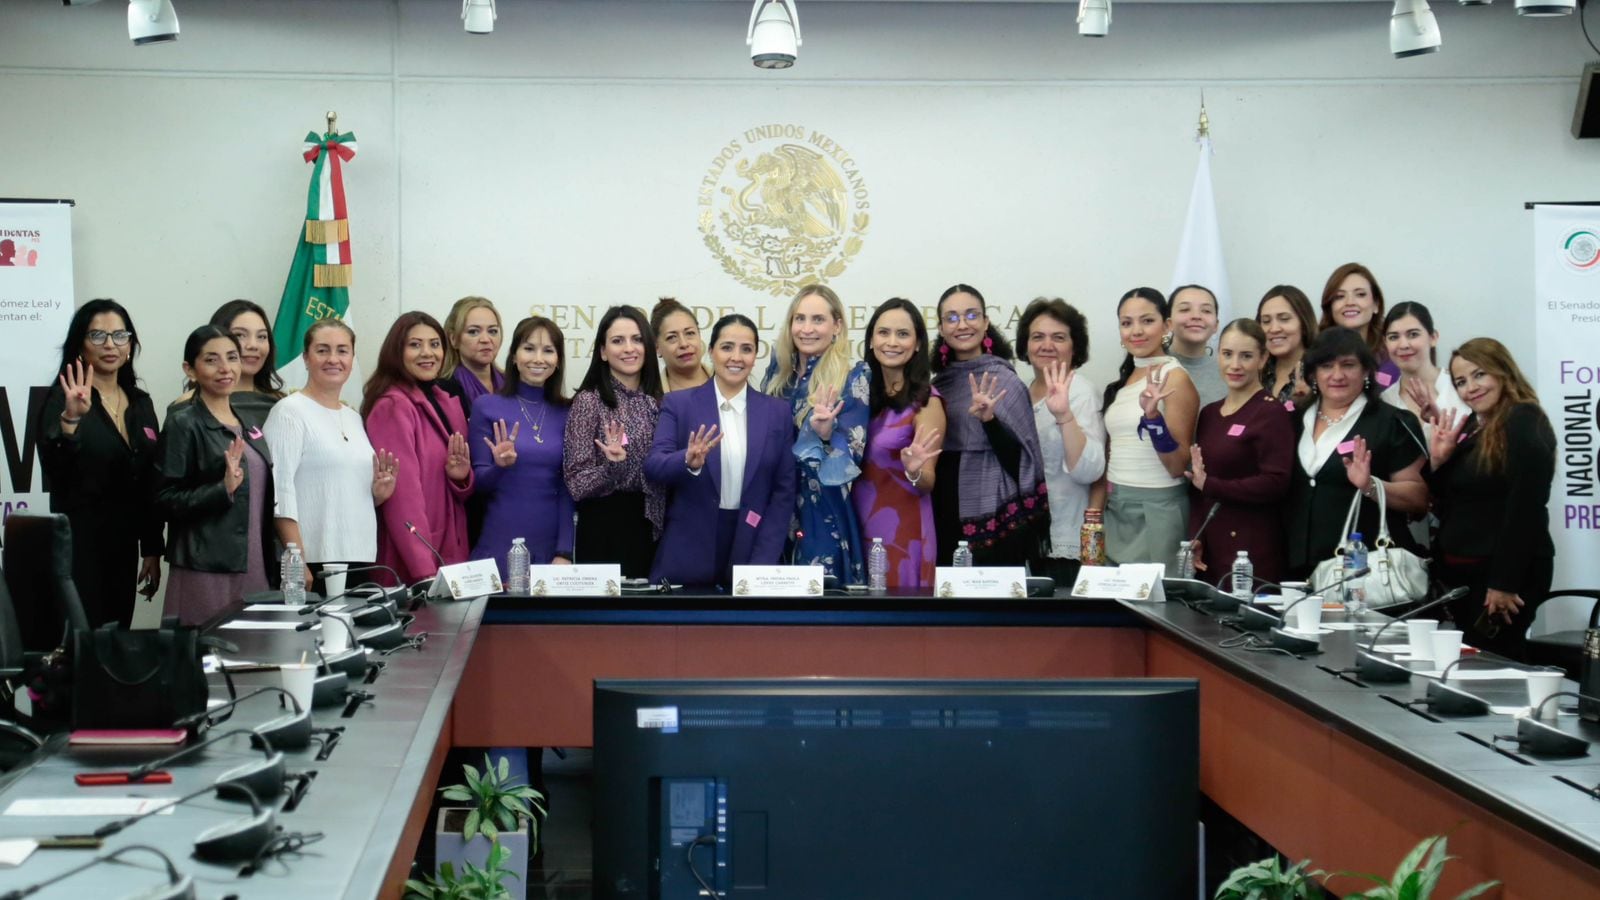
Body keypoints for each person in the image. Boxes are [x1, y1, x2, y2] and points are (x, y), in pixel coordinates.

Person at [1426, 339, 1555, 661]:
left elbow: (1526, 507)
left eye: (1479, 374)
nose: (1470, 388)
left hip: (1502, 577)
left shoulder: (1523, 418)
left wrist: (1504, 583)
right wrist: (1440, 460)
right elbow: (1453, 498)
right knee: (1472, 663)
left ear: (1503, 371)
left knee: (1492, 665)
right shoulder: (1477, 426)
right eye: (1461, 381)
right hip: (1468, 574)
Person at [38, 299, 164, 628]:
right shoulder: (62, 399)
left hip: (124, 547)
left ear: (130, 345)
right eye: (97, 335)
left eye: (119, 335)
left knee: (116, 639)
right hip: (79, 548)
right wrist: (71, 421)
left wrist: (152, 548)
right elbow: (56, 470)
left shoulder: (141, 403)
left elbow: (150, 481)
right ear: (80, 344)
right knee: (83, 642)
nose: (110, 344)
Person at [646, 315, 797, 589]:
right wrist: (687, 461)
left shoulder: (777, 412)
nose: (736, 357)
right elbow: (654, 465)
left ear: (755, 356)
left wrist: (763, 560)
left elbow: (783, 492)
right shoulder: (679, 404)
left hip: (752, 548)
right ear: (711, 351)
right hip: (688, 553)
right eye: (727, 347)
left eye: (746, 349)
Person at [1284, 327, 1428, 579]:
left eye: (1348, 365)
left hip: (1365, 574)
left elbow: (1419, 498)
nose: (1337, 375)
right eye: (1326, 366)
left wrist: (1370, 485)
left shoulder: (1392, 422)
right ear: (1313, 373)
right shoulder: (1292, 422)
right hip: (1296, 571)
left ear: (1366, 371)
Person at [264, 319, 397, 592]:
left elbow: (337, 489)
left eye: (342, 350)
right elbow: (279, 490)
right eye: (322, 350)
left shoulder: (354, 417)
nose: (333, 359)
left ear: (352, 358)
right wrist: (296, 559)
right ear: (306, 357)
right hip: (313, 560)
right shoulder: (289, 411)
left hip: (359, 556)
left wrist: (377, 494)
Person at [156, 326, 276, 625]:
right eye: (211, 360)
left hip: (254, 562)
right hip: (206, 568)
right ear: (190, 370)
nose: (225, 368)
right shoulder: (183, 422)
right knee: (207, 650)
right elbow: (163, 499)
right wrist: (222, 489)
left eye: (232, 357)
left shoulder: (248, 422)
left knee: (255, 650)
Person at [930, 284, 1049, 566]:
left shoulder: (1005, 381)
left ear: (985, 323)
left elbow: (1022, 462)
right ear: (942, 328)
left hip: (996, 519)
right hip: (943, 512)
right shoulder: (937, 385)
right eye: (952, 318)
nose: (962, 325)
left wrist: (990, 422)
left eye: (971, 315)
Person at [762, 284, 870, 582]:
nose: (807, 329)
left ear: (837, 326)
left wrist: (824, 436)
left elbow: (852, 456)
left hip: (821, 510)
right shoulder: (778, 374)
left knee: (821, 599)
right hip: (773, 506)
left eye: (818, 319)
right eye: (800, 318)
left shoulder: (853, 376)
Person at [362, 312, 474, 585]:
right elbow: (403, 498)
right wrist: (425, 572)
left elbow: (448, 480)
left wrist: (461, 479)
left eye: (435, 344)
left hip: (450, 549)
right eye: (415, 345)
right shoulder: (392, 406)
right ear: (396, 352)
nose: (427, 353)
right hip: (414, 563)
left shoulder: (445, 400)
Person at [1184, 319, 1294, 584]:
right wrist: (1196, 535)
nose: (1235, 365)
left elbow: (1276, 482)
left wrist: (1212, 485)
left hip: (1252, 548)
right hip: (1212, 547)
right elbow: (1198, 486)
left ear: (1263, 359)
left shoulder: (1271, 412)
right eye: (1227, 354)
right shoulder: (1209, 413)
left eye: (1246, 356)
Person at [1100, 287, 1199, 570]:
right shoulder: (1125, 380)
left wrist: (1153, 419)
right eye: (1126, 323)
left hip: (1158, 510)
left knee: (1159, 596)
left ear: (1166, 326)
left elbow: (1178, 466)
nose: (1136, 331)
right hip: (1117, 507)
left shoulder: (1175, 378)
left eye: (1147, 321)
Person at [563, 306, 664, 577]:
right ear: (603, 352)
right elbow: (576, 482)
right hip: (605, 525)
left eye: (637, 339)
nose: (629, 348)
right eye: (618, 341)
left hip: (652, 523)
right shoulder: (589, 401)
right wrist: (612, 467)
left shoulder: (658, 402)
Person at [470, 316, 575, 577]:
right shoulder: (486, 406)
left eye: (548, 350)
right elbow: (478, 483)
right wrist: (500, 466)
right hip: (500, 539)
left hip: (550, 547)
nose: (538, 359)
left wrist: (564, 551)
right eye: (529, 348)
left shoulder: (568, 411)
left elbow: (568, 488)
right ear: (514, 356)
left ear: (558, 360)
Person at [853, 298, 945, 590]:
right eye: (883, 332)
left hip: (903, 532)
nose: (892, 342)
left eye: (903, 334)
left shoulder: (926, 401)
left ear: (917, 344)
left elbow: (927, 480)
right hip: (855, 525)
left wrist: (914, 471)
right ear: (871, 340)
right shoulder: (859, 396)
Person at [1018, 297, 1104, 586]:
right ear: (1025, 345)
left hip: (1065, 542)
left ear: (1074, 346)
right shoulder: (1019, 392)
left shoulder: (1081, 392)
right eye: (1037, 337)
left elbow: (1089, 471)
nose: (1047, 345)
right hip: (1026, 539)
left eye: (1058, 337)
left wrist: (1064, 416)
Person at [1381, 301, 1469, 437]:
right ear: (1385, 343)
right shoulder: (1385, 401)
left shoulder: (1460, 386)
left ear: (1433, 337)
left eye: (1413, 334)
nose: (1403, 345)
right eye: (1393, 337)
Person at [1318, 263, 1398, 389]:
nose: (1350, 302)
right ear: (1330, 307)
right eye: (1340, 296)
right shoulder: (1315, 355)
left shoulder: (1395, 355)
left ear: (1376, 304)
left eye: (1360, 294)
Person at [210, 299, 285, 417]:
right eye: (240, 335)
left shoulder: (282, 405)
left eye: (261, 336)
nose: (253, 345)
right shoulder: (193, 405)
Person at [1256, 285, 1317, 409]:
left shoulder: (1320, 371)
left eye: (1284, 319)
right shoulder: (1256, 371)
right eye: (1266, 321)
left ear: (1304, 323)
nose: (1274, 329)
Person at [439, 296, 505, 405]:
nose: (485, 339)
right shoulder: (444, 391)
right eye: (473, 332)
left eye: (492, 331)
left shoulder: (514, 383)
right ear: (453, 339)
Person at [1168, 284, 1226, 407]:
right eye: (1185, 309)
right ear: (1169, 323)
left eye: (1206, 311)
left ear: (1216, 325)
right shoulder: (1150, 365)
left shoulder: (1228, 372)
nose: (1196, 316)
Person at [652, 297, 710, 393]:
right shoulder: (650, 397)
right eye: (672, 337)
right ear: (657, 347)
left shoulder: (728, 381)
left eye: (689, 333)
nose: (684, 344)